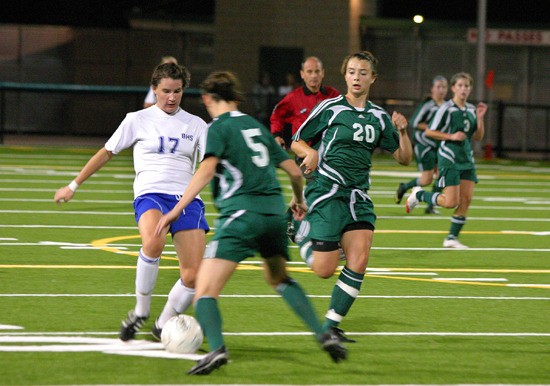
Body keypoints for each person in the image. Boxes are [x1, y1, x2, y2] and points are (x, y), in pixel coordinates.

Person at [154, 71, 347, 375]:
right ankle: (322, 332)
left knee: (204, 292)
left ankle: (216, 349)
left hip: (241, 216)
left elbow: (206, 169)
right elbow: (295, 173)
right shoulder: (255, 126)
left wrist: (176, 209)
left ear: (207, 98)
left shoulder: (218, 128)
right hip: (272, 215)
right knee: (279, 279)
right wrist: (298, 201)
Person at [54, 62, 209, 341]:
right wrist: (73, 184)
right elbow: (106, 152)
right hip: (151, 193)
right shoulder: (136, 119)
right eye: (165, 91)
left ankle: (163, 323)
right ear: (154, 89)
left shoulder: (197, 125)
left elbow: (208, 166)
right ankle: (140, 311)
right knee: (153, 241)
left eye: (177, 91)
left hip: (186, 198)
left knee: (194, 274)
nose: (171, 97)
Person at [290, 51, 412, 339]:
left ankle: (330, 326)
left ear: (373, 78)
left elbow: (403, 158)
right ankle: (297, 229)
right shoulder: (330, 108)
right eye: (352, 72)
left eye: (363, 72)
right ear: (345, 76)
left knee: (360, 258)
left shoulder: (380, 117)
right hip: (327, 190)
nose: (357, 77)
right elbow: (298, 141)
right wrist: (311, 152)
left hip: (358, 196)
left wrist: (403, 132)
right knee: (323, 270)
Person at [405, 72, 487, 248]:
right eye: (460, 85)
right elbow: (429, 131)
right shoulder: (446, 108)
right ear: (453, 88)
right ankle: (419, 194)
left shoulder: (472, 109)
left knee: (466, 199)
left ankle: (451, 238)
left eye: (467, 86)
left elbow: (478, 137)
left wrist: (480, 118)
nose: (464, 89)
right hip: (449, 158)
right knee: (450, 202)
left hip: (466, 158)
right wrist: (450, 136)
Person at [395, 75, 448, 214]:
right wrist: (431, 129)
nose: (441, 90)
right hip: (425, 144)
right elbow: (414, 122)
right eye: (438, 87)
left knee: (442, 174)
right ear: (432, 89)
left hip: (439, 145)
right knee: (426, 180)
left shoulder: (448, 106)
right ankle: (405, 187)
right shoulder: (428, 105)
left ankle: (431, 206)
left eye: (444, 87)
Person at [270, 56, 340, 149]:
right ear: (302, 74)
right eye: (309, 71)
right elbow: (277, 115)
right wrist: (276, 135)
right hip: (304, 154)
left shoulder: (334, 95)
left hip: (329, 152)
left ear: (323, 73)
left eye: (317, 71)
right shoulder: (293, 97)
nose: (314, 75)